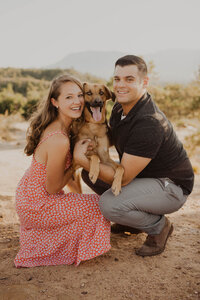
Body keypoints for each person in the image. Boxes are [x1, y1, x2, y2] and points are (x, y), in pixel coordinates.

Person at [74, 55, 194, 257]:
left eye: (129, 79)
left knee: (109, 204)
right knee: (90, 174)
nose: (120, 85)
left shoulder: (149, 122)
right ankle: (132, 221)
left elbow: (125, 177)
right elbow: (108, 139)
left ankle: (159, 226)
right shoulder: (120, 108)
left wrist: (81, 159)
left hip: (171, 187)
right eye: (117, 79)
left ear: (144, 82)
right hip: (145, 178)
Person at [14, 74, 111, 268]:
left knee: (88, 208)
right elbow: (52, 188)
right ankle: (46, 245)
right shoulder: (59, 138)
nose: (77, 102)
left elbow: (65, 181)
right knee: (103, 205)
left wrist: (77, 204)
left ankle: (49, 238)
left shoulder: (66, 127)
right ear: (55, 102)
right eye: (68, 97)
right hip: (38, 205)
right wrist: (76, 162)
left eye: (79, 95)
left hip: (29, 196)